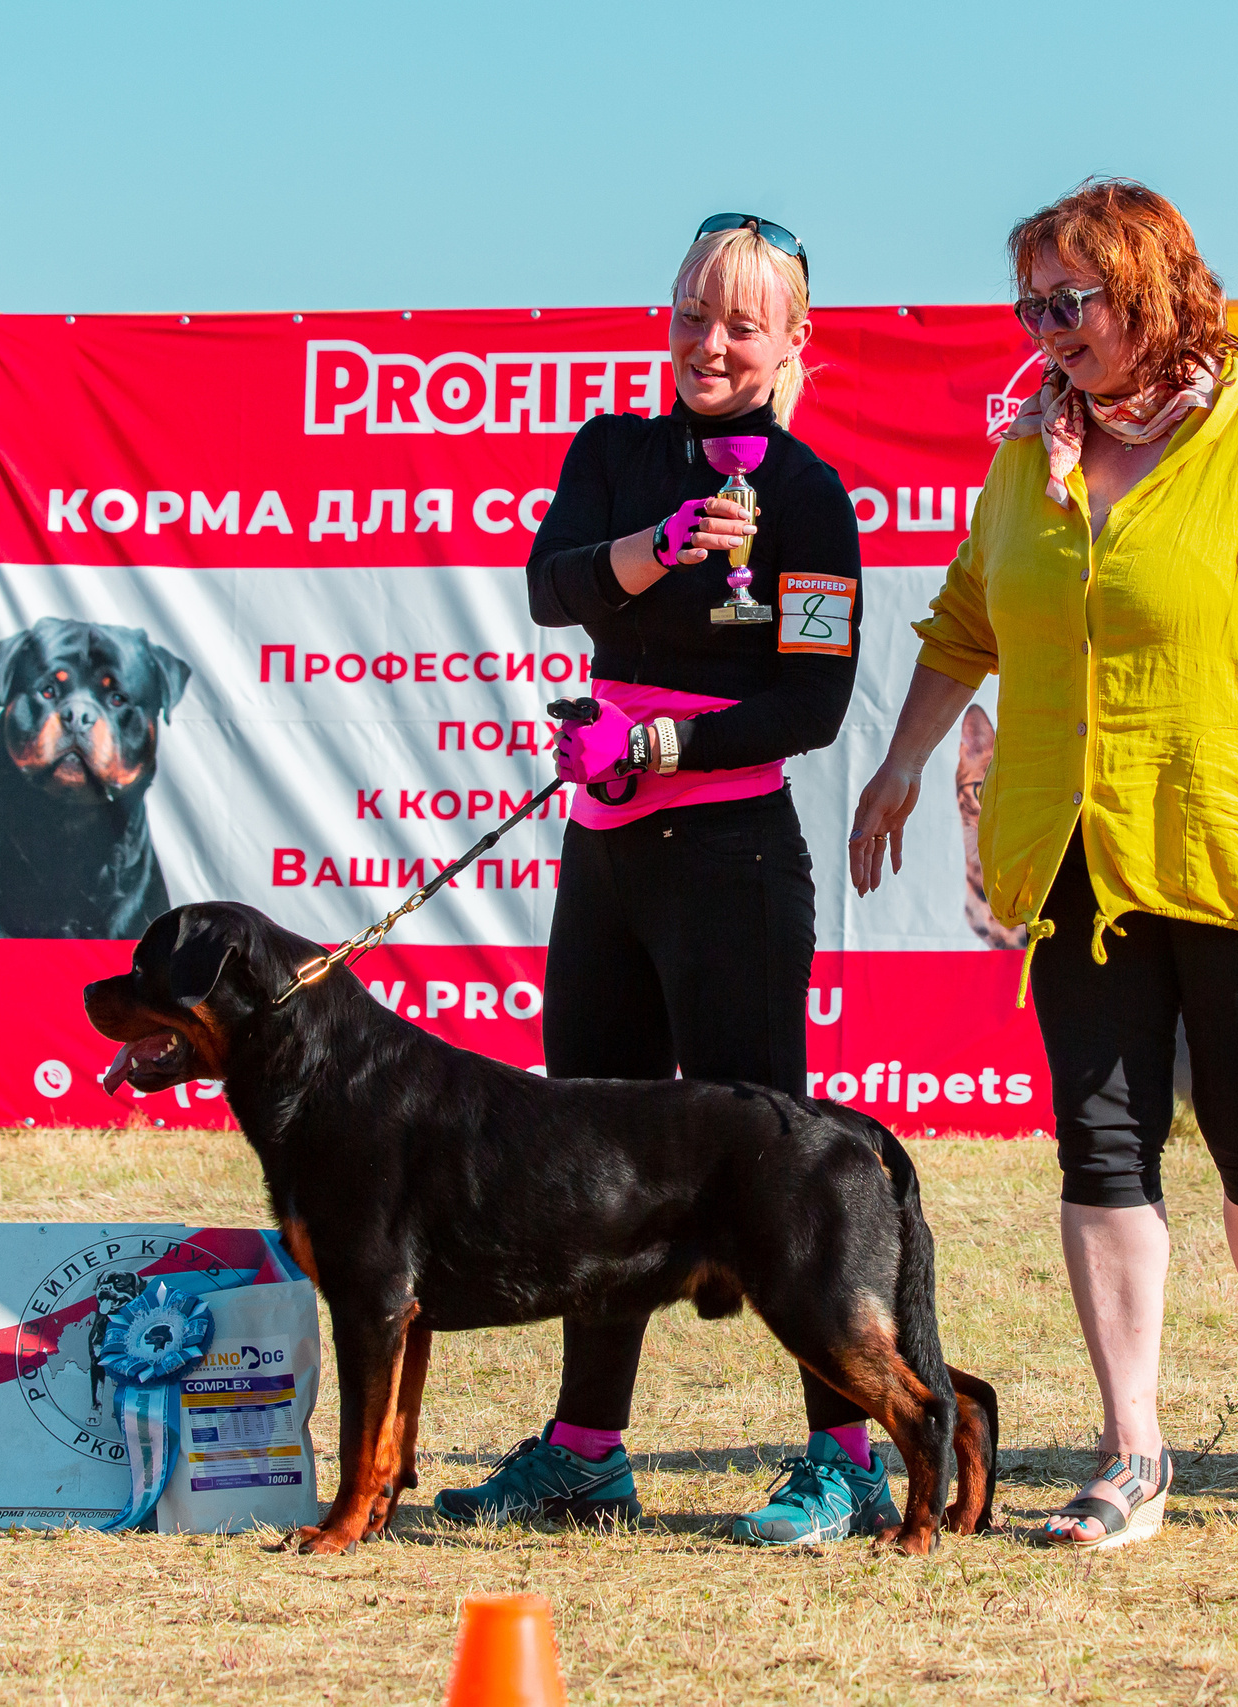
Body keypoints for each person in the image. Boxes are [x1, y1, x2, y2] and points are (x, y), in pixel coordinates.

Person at [848, 178, 1238, 1549]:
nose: (1048, 327)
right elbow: (965, 625)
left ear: (1154, 292)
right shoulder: (1028, 460)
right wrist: (902, 764)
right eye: (1030, 306)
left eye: (1074, 299)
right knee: (1101, 1142)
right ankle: (1133, 1450)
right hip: (1077, 858)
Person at [431, 215, 888, 1546]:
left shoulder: (812, 499)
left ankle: (847, 1457)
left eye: (744, 323)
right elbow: (550, 586)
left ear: (795, 341)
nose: (712, 344)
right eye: (694, 315)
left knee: (772, 1169)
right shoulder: (613, 452)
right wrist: (658, 548)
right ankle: (586, 1453)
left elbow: (813, 704)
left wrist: (662, 743)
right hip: (608, 859)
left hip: (733, 864)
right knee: (589, 1160)